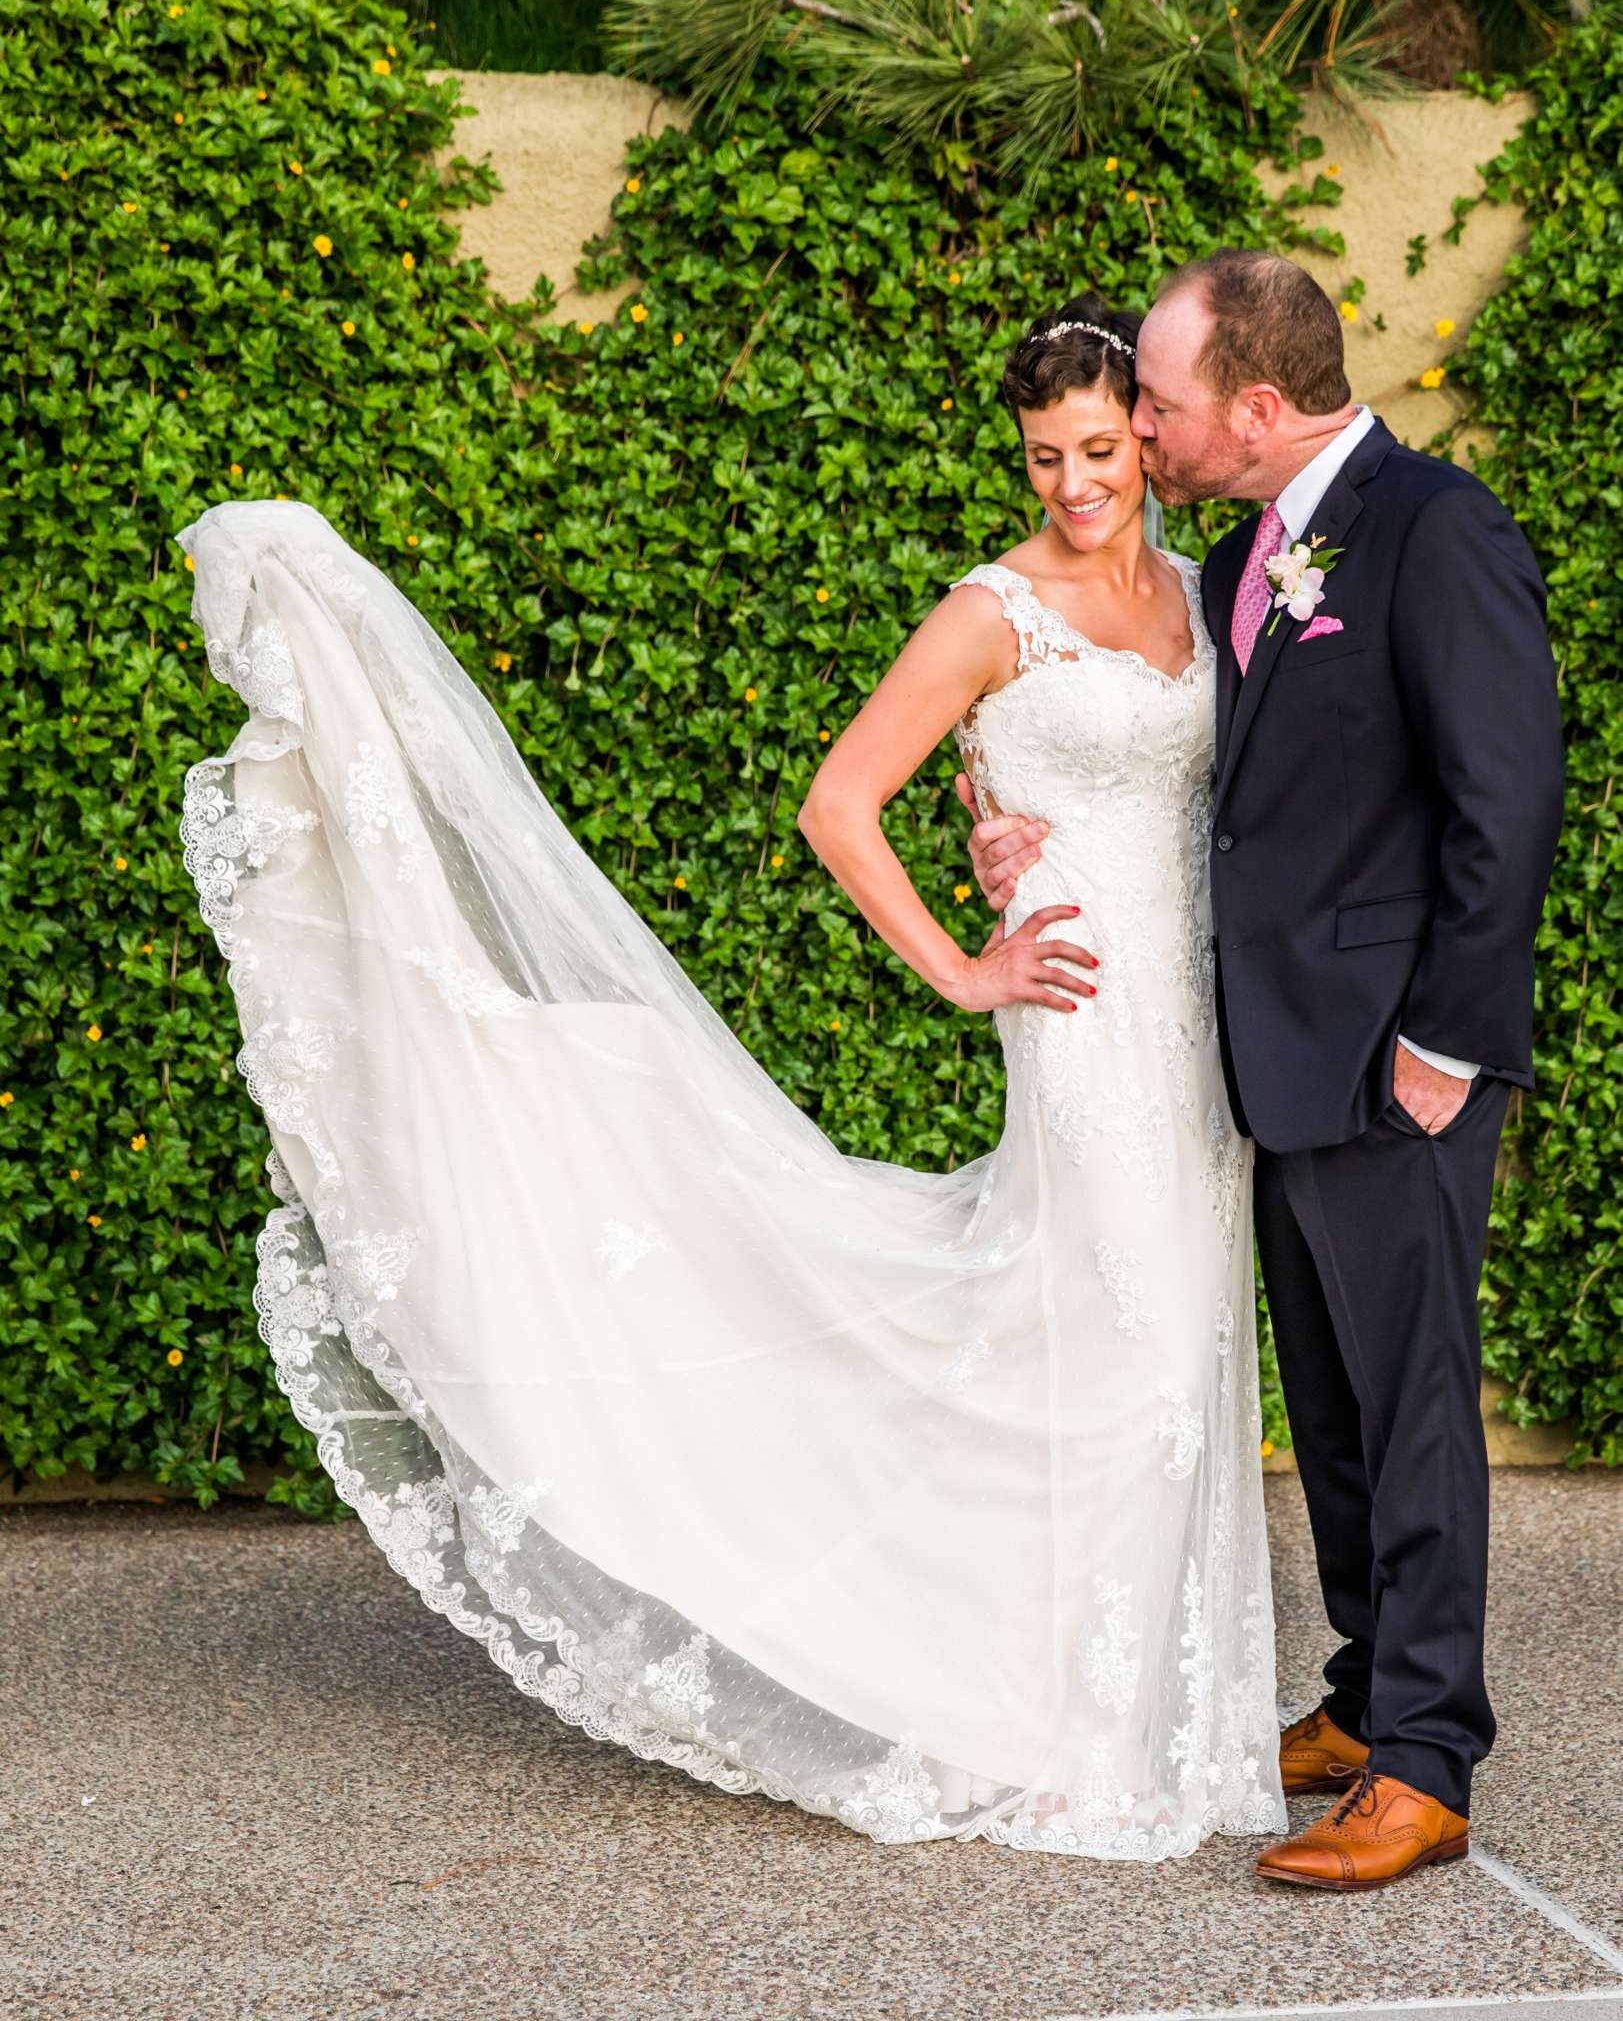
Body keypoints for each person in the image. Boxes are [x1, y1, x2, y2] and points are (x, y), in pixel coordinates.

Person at [176, 289, 1284, 1863]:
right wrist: (968, 967)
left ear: (1152, 437)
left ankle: (1136, 1713)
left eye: (1099, 447)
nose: (1072, 483)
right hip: (1087, 1022)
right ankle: (1060, 1738)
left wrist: (1001, 811)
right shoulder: (992, 611)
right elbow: (841, 805)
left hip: (1207, 1027)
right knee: (1123, 1363)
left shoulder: (1202, 587)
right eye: (1042, 457)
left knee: (1167, 1365)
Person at [960, 251, 1564, 1890]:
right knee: (1342, 1410)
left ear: (1258, 406)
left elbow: (1508, 803)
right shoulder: (1238, 553)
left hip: (1398, 1067)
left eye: (1153, 406)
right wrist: (996, 816)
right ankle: (1367, 1701)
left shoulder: (1440, 532)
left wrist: (1443, 1043)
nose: (1138, 434)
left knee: (1420, 1404)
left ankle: (1428, 1763)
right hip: (1260, 1063)